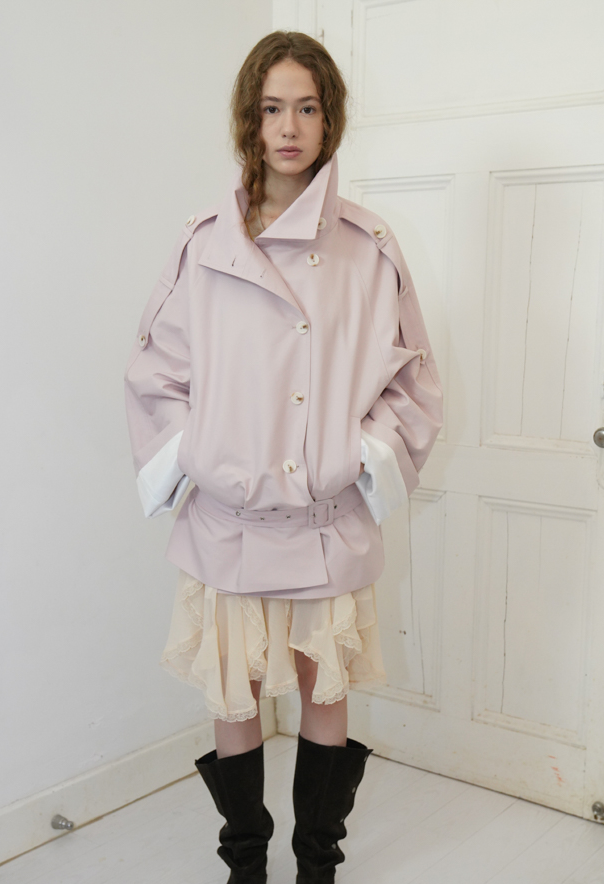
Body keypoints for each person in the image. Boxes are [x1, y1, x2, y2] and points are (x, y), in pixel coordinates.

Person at [124, 29, 443, 884]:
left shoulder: (368, 246)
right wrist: (203, 452)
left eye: (306, 108)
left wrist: (355, 451)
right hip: (228, 514)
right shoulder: (203, 242)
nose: (289, 128)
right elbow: (156, 370)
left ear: (329, 118)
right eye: (272, 109)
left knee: (322, 688)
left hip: (323, 516)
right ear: (250, 119)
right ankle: (245, 863)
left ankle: (315, 863)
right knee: (232, 692)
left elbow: (413, 377)